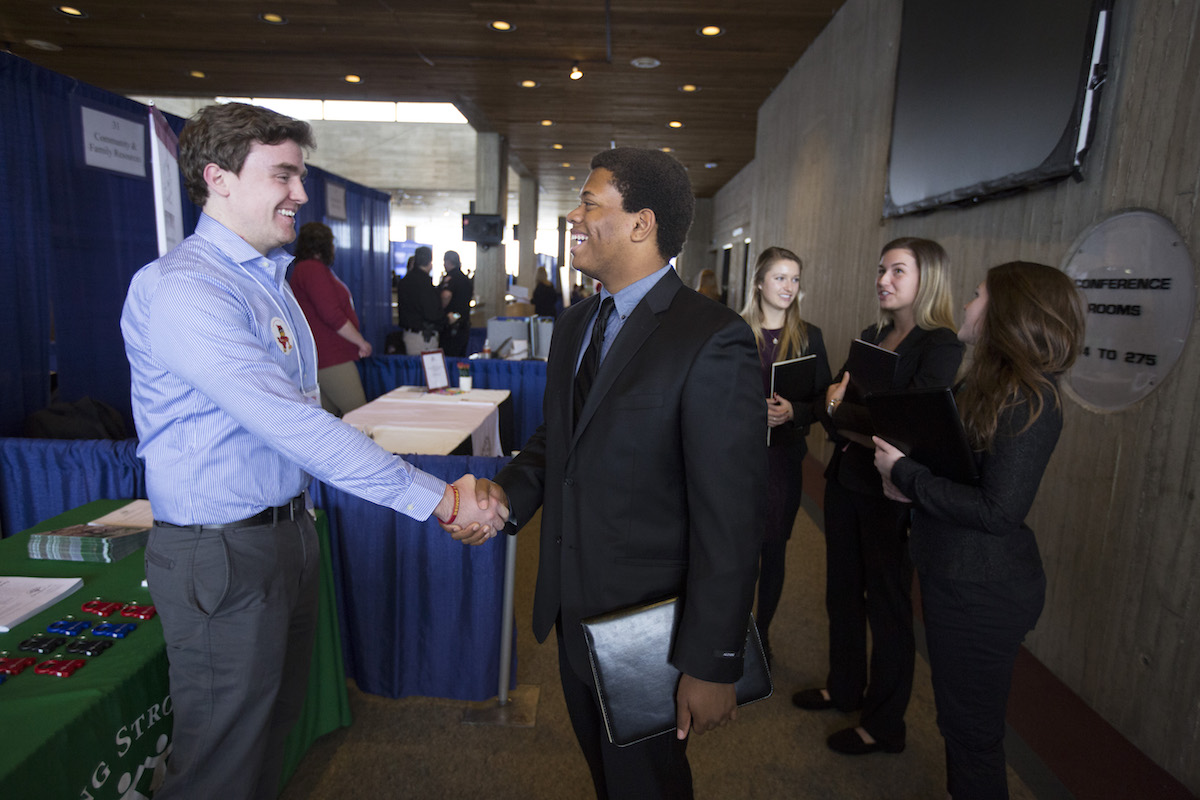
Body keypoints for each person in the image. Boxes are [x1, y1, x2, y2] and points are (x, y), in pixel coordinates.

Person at [120, 101, 505, 800]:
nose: (300, 194)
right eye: (285, 176)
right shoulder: (186, 289)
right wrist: (440, 497)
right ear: (219, 178)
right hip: (223, 553)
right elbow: (293, 424)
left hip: (284, 535)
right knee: (218, 766)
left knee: (269, 744)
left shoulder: (268, 279)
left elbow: (302, 418)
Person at [457, 147, 766, 799]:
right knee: (607, 778)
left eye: (590, 203)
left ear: (640, 224)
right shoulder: (575, 325)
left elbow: (731, 517)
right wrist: (505, 496)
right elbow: (556, 443)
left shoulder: (711, 336)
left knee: (646, 787)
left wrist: (712, 662)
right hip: (573, 609)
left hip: (649, 628)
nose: (574, 215)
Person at [873, 261, 1084, 798]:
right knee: (959, 724)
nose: (966, 305)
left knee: (971, 735)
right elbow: (962, 469)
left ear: (1006, 313)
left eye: (976, 295)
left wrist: (905, 473)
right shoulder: (988, 382)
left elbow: (998, 511)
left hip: (983, 591)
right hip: (958, 576)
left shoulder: (1030, 398)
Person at [792, 237, 963, 756]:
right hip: (846, 481)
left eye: (897, 271)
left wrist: (849, 415)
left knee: (886, 607)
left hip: (892, 494)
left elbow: (912, 429)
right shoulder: (874, 335)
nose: (883, 280)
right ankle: (844, 688)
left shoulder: (940, 346)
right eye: (881, 269)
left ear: (925, 278)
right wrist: (852, 418)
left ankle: (885, 724)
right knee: (841, 594)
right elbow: (829, 408)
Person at [739, 246, 831, 666]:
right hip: (738, 459)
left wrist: (796, 411)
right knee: (737, 550)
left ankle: (763, 634)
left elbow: (823, 399)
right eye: (780, 278)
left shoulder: (810, 336)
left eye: (795, 279)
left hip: (783, 460)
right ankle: (731, 631)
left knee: (773, 549)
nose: (789, 287)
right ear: (759, 282)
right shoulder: (734, 331)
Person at [288, 221, 371, 416]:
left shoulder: (306, 269)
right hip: (331, 356)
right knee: (359, 414)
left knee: (330, 419)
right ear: (325, 245)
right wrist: (361, 342)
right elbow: (331, 314)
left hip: (322, 356)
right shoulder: (312, 270)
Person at [396, 245, 443, 354]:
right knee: (427, 369)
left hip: (409, 334)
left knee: (414, 369)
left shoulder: (405, 281)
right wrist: (446, 319)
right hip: (423, 337)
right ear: (429, 262)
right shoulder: (425, 283)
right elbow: (431, 313)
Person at [438, 249, 473, 355]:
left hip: (451, 326)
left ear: (448, 262)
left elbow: (446, 295)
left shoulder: (451, 278)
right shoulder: (465, 279)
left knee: (448, 359)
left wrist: (440, 307)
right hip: (464, 324)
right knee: (460, 360)